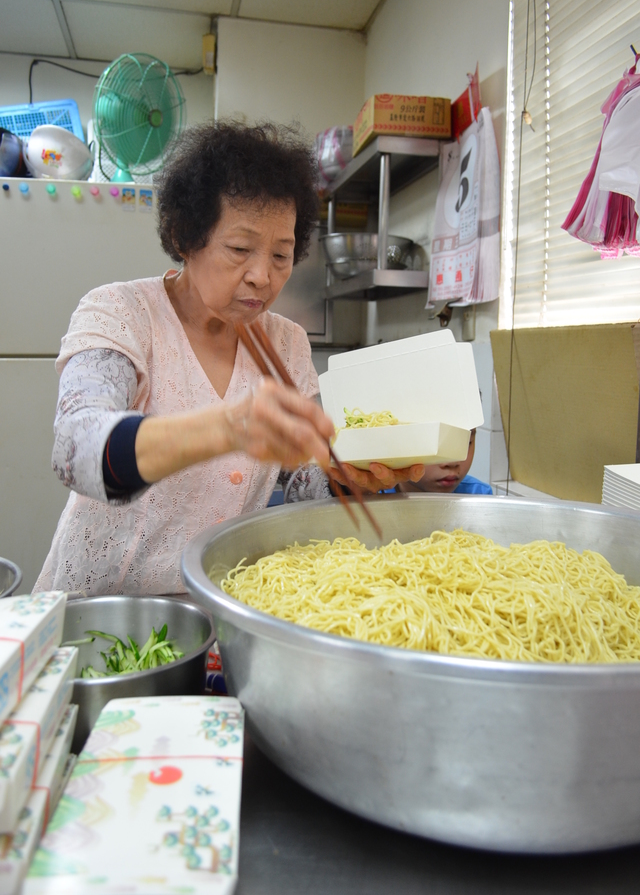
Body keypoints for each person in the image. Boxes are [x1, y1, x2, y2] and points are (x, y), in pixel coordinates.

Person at [34, 122, 424, 598]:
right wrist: (228, 428)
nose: (262, 276)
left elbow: (307, 486)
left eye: (281, 255)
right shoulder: (122, 314)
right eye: (239, 249)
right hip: (97, 611)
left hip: (217, 613)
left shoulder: (286, 343)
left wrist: (358, 471)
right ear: (185, 237)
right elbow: (77, 450)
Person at [394, 429, 492, 495]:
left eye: (466, 442)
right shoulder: (378, 495)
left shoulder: (479, 497)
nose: (452, 462)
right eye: (433, 444)